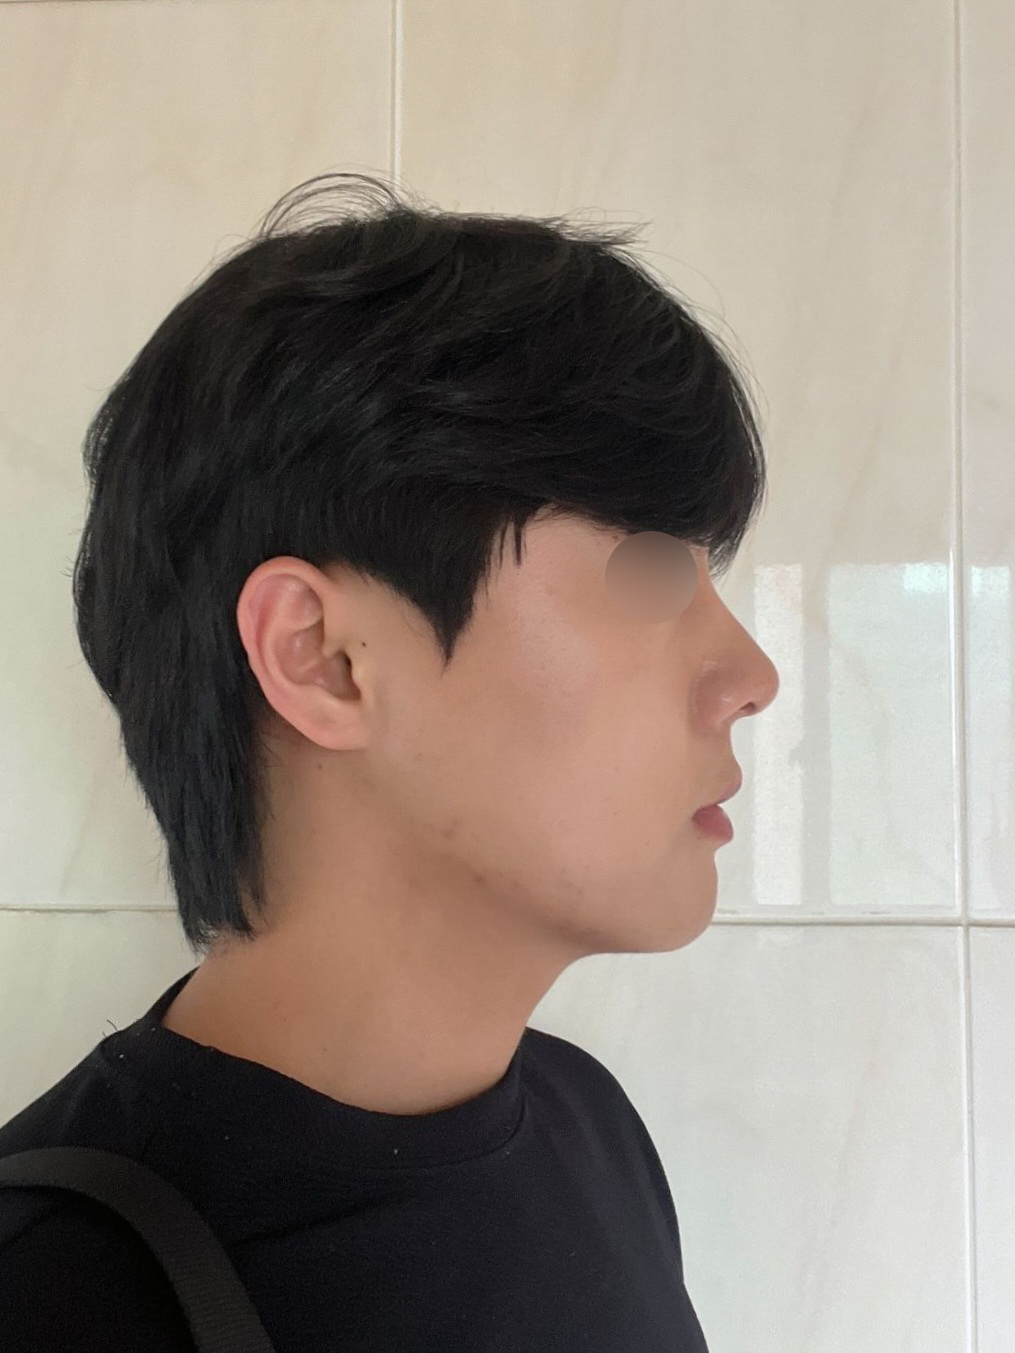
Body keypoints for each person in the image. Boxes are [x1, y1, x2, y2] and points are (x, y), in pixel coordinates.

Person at [0, 171, 779, 1351]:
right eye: (651, 568)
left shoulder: (589, 1128)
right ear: (324, 659)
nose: (750, 676)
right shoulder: (57, 1292)